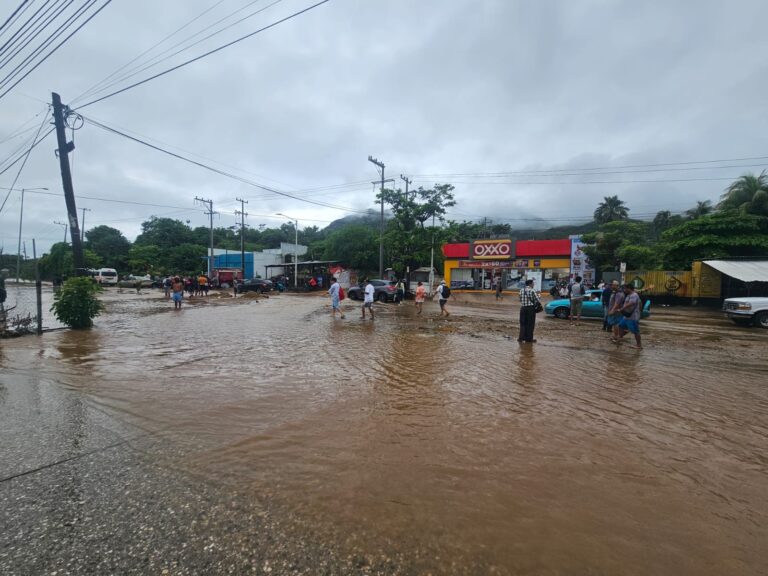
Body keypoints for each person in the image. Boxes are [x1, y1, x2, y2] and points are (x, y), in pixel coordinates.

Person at [617, 284, 643, 349]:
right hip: (627, 316)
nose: (624, 290)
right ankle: (620, 338)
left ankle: (639, 345)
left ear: (629, 288)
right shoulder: (629, 295)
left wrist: (622, 309)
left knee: (635, 331)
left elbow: (631, 303)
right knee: (621, 325)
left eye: (625, 289)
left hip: (633, 317)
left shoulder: (634, 295)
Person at [518, 278, 540, 343]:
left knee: (523, 324)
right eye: (533, 283)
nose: (533, 284)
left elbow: (520, 299)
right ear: (530, 284)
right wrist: (539, 295)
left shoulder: (521, 290)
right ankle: (529, 339)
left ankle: (521, 338)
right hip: (530, 309)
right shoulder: (532, 290)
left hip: (523, 308)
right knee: (530, 324)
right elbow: (537, 300)